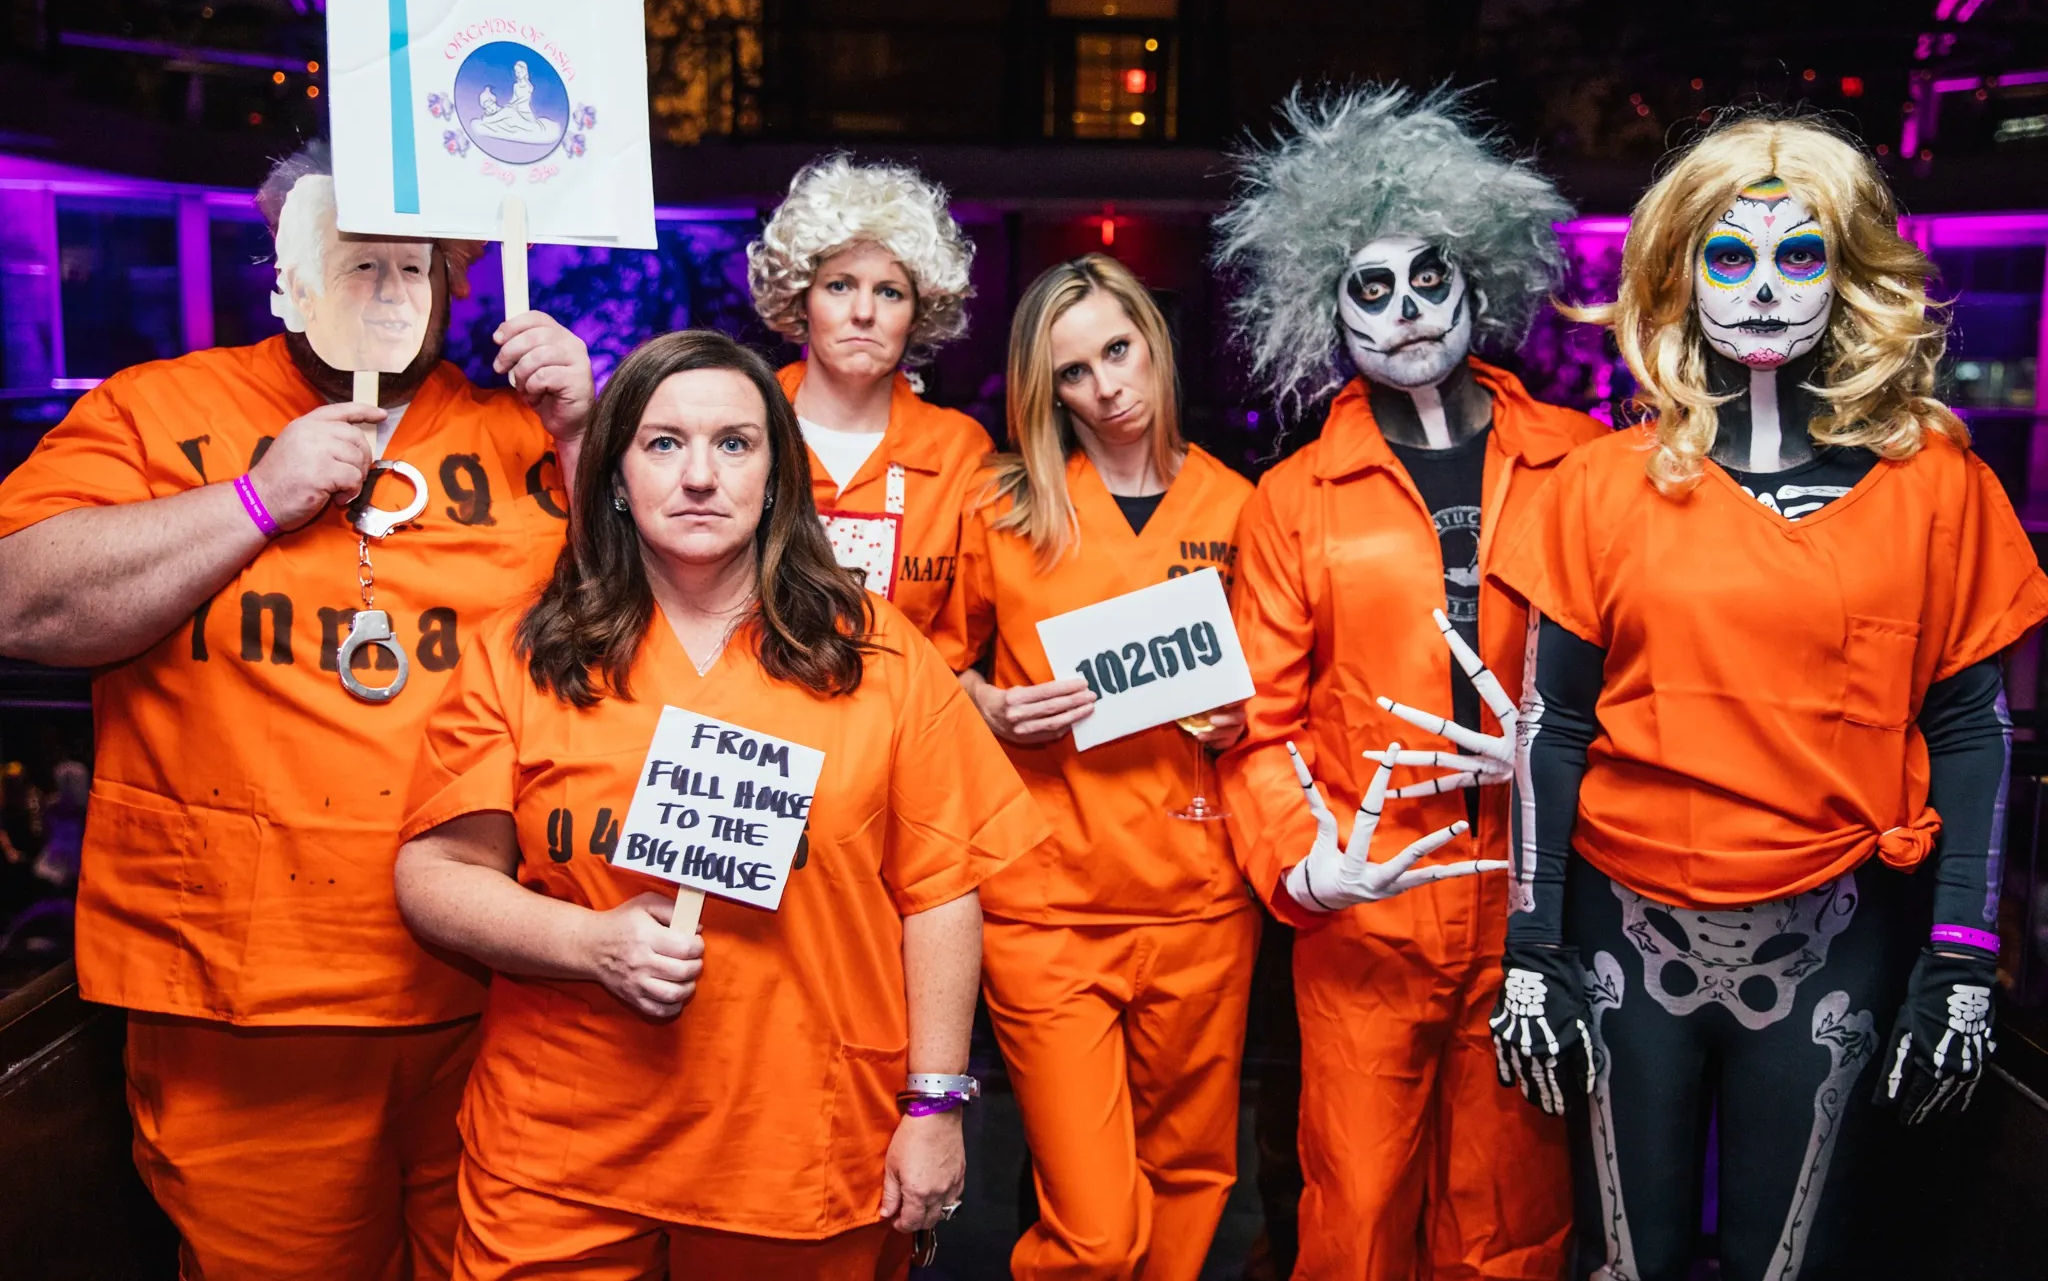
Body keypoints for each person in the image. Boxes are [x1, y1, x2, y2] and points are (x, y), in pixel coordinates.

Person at [0, 144, 594, 1280]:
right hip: (245, 1000)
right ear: (289, 265)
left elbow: (688, 619)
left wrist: (587, 430)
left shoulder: (526, 431)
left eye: (408, 263)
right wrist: (251, 501)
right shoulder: (155, 406)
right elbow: (22, 602)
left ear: (459, 273)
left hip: (511, 986)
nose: (379, 290)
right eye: (350, 260)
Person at [1491, 114, 2048, 1281]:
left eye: (1798, 256)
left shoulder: (1933, 482)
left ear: (1847, 276)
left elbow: (1968, 729)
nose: (1759, 288)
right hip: (1620, 927)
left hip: (1833, 933)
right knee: (1620, 1261)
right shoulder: (1597, 485)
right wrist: (1531, 949)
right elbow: (1552, 729)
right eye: (1727, 256)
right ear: (1678, 272)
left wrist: (1958, 957)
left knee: (1789, 1259)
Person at [395, 330, 1042, 1280]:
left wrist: (936, 1104)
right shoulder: (524, 652)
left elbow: (940, 889)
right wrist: (592, 944)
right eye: (663, 443)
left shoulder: (880, 656)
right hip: (562, 1147)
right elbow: (435, 873)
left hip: (795, 1147)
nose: (699, 475)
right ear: (615, 472)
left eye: (735, 444)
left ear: (779, 474)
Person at [1212, 84, 1607, 1281]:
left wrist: (1573, 770)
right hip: (1367, 915)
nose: (1402, 311)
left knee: (1513, 1213)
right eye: (1367, 289)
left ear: (1474, 282)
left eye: (1425, 278)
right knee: (1356, 1208)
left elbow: (1641, 670)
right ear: (1325, 309)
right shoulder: (1292, 498)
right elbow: (1257, 721)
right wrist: (1304, 857)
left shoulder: (1584, 465)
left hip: (1544, 908)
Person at [933, 254, 1259, 1279]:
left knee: (1193, 1175)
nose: (1106, 387)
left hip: (1201, 898)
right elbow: (930, 670)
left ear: (1153, 343)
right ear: (1045, 391)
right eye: (1073, 373)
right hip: (1048, 906)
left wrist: (1234, 720)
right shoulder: (1005, 508)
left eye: (1117, 351)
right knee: (1094, 1228)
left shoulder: (1242, 509)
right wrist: (989, 704)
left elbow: (1284, 694)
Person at [748, 153, 990, 635]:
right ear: (802, 299)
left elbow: (960, 645)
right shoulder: (742, 424)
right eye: (839, 285)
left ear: (919, 314)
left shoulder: (961, 453)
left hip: (906, 709)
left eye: (890, 292)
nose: (863, 312)